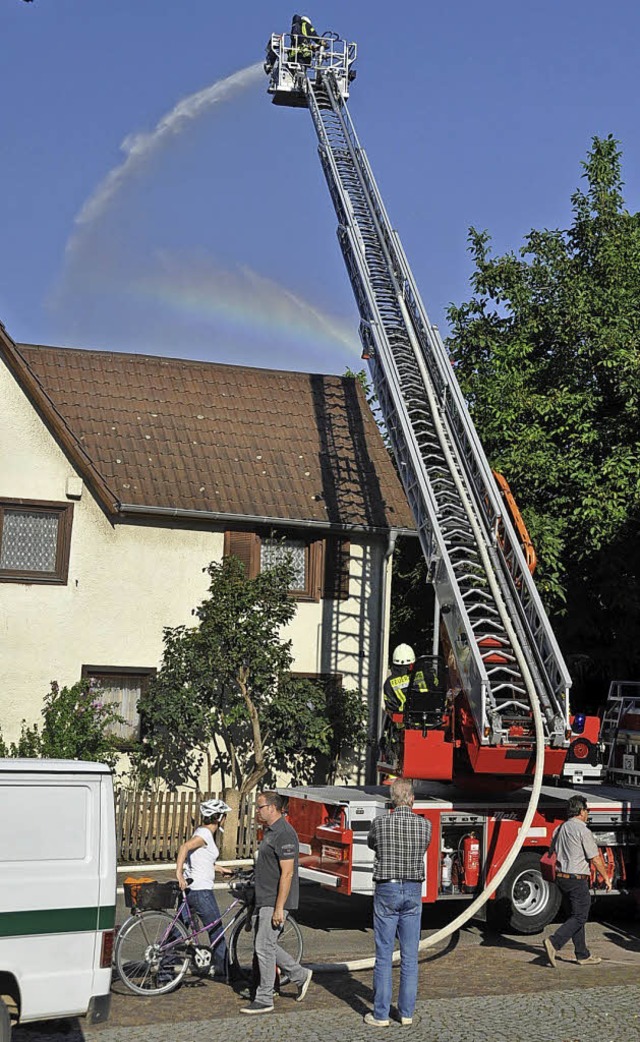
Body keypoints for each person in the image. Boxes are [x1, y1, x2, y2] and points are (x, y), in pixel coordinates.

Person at [365, 778, 431, 1027]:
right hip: (413, 889)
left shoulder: (380, 823)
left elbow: (373, 844)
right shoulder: (425, 826)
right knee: (410, 955)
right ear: (412, 799)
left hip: (387, 888)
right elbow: (424, 847)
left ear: (392, 800)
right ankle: (406, 1013)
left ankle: (381, 1014)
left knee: (383, 954)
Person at [240, 791, 312, 1015]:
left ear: (272, 807)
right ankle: (300, 974)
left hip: (275, 899)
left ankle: (264, 998)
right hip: (265, 898)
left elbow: (287, 873)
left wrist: (279, 907)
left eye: (260, 807)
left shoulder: (284, 833)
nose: (257, 811)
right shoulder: (270, 832)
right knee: (266, 945)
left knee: (263, 946)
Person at [543, 794, 612, 968]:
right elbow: (595, 858)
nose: (588, 813)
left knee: (575, 916)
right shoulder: (583, 830)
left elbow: (551, 851)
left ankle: (582, 954)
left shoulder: (559, 828)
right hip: (577, 878)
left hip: (561, 878)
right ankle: (554, 942)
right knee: (581, 916)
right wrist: (606, 878)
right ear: (581, 811)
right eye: (587, 810)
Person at [176, 798, 233, 980]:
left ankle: (164, 972)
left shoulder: (201, 832)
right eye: (224, 816)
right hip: (201, 892)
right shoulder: (205, 835)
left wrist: (219, 868)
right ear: (219, 818)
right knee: (216, 930)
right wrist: (177, 873)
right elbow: (184, 848)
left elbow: (202, 860)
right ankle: (227, 971)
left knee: (177, 932)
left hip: (191, 890)